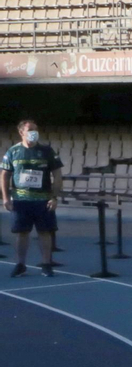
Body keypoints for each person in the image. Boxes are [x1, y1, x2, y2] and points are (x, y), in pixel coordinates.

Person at [2, 119, 64, 278]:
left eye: (35, 129)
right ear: (21, 132)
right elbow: (5, 175)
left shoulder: (46, 151)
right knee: (22, 233)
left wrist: (54, 197)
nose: (33, 132)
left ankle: (46, 264)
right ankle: (20, 265)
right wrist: (6, 198)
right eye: (30, 130)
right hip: (21, 201)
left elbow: (57, 175)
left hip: (43, 200)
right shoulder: (13, 152)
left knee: (45, 232)